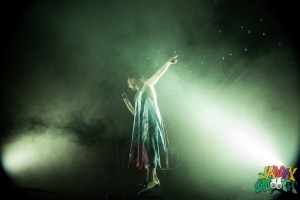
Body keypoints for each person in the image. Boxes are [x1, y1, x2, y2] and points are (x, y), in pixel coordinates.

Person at [122, 55, 178, 195]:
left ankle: (151, 180)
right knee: (147, 149)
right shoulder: (137, 96)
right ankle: (154, 179)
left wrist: (167, 63)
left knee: (150, 148)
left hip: (152, 121)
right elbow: (136, 114)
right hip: (145, 124)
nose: (128, 84)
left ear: (134, 79)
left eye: (129, 81)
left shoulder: (147, 85)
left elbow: (158, 74)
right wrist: (127, 102)